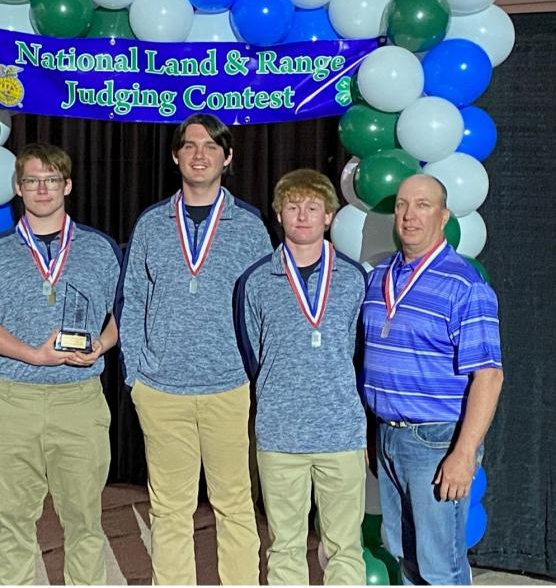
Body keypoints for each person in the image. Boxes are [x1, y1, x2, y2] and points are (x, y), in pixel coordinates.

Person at [117, 113, 272, 585]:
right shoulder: (152, 223)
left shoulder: (249, 225)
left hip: (228, 388)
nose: (199, 154)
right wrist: (135, 376)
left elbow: (266, 303)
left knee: (235, 505)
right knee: (169, 509)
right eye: (189, 145)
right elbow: (133, 300)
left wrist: (254, 375)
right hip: (161, 391)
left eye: (210, 147)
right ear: (175, 155)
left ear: (227, 158)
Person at [0, 143, 121, 585]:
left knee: (85, 524)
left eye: (51, 180)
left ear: (67, 186)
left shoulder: (100, 248)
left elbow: (123, 314)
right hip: (15, 400)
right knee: (13, 525)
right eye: (31, 180)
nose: (42, 189)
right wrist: (33, 354)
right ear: (18, 187)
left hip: (80, 401)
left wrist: (102, 346)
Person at [362, 174, 504, 585]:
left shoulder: (465, 284)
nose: (409, 216)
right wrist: (377, 435)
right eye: (403, 205)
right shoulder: (379, 277)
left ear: (443, 216)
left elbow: (489, 377)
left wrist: (463, 454)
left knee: (440, 567)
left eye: (422, 205)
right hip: (388, 437)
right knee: (406, 558)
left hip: (436, 442)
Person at [235, 169, 367, 585]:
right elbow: (252, 352)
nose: (303, 216)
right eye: (293, 207)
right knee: (285, 545)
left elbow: (357, 351)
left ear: (329, 216)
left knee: (345, 546)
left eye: (313, 208)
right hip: (280, 437)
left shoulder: (353, 279)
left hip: (341, 435)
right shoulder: (256, 281)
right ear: (279, 215)